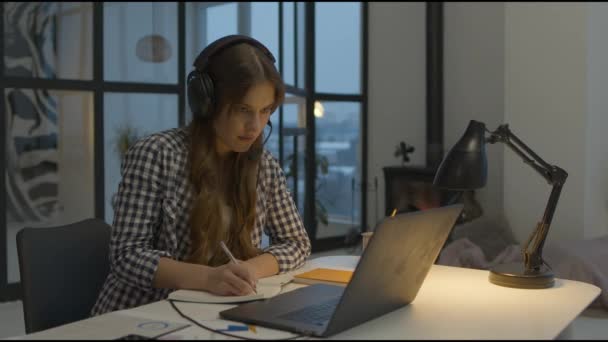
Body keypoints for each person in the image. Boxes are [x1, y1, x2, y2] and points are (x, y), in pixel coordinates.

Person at [91, 35, 312, 315]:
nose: (255, 126)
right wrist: (208, 278)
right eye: (243, 109)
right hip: (143, 315)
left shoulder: (264, 165)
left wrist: (248, 269)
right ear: (206, 102)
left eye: (265, 111)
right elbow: (126, 256)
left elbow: (297, 243)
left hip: (217, 312)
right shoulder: (156, 154)